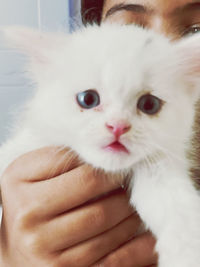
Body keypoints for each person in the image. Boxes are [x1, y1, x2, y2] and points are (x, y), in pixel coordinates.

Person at [1, 0, 199, 266]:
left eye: (148, 105)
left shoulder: (163, 160)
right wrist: (10, 255)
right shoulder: (30, 147)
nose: (117, 125)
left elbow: (167, 194)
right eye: (88, 99)